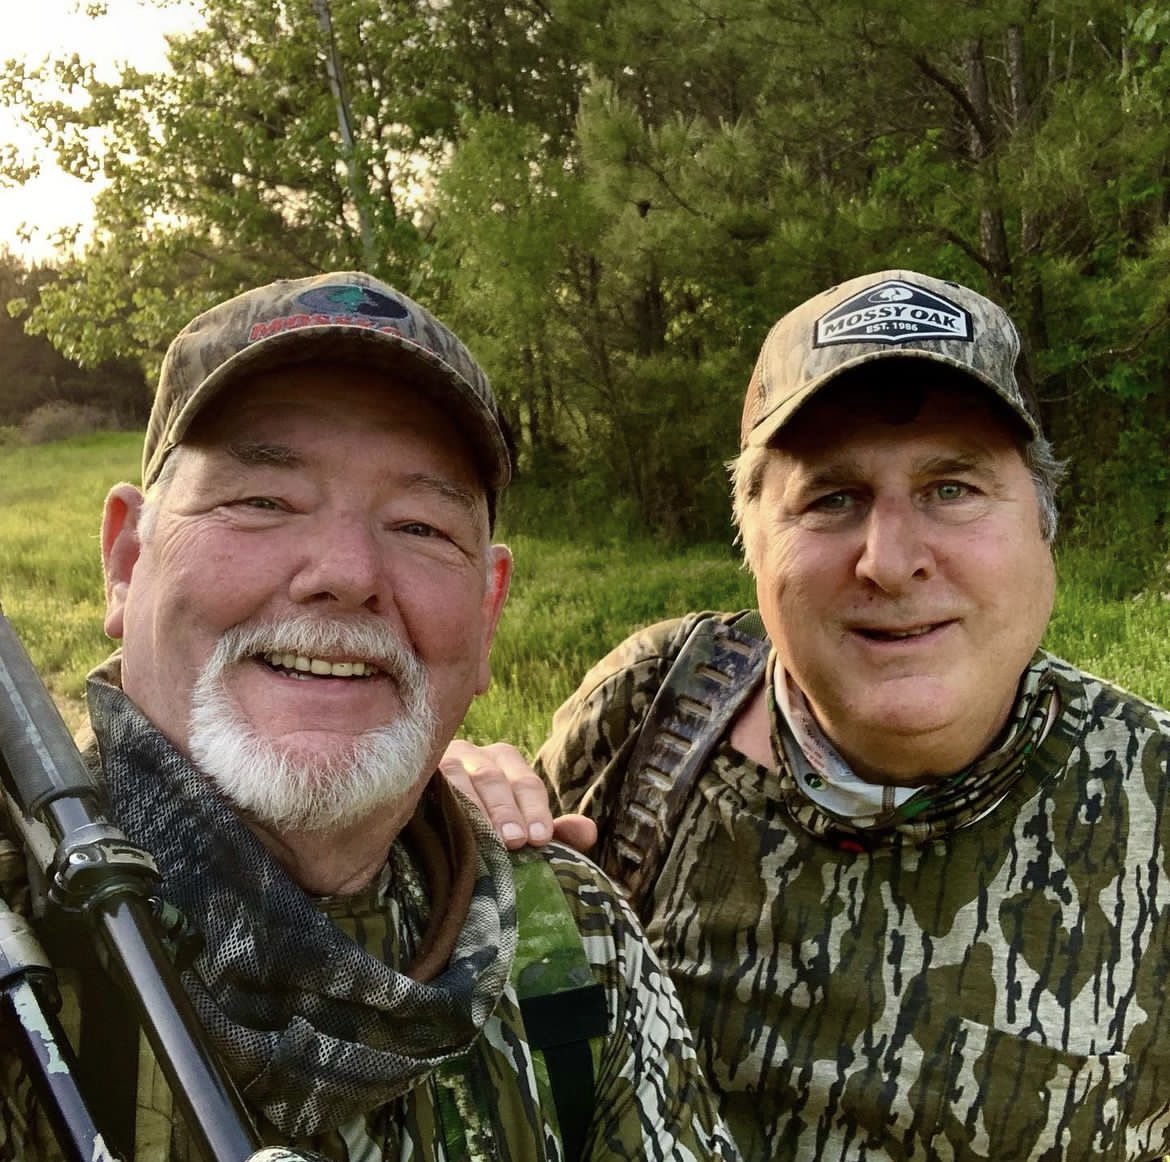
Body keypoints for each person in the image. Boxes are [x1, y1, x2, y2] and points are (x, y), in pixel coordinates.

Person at [0, 272, 739, 1162]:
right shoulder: (18, 955)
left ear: (487, 609)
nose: (346, 571)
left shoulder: (571, 937)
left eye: (421, 526)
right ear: (126, 560)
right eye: (262, 502)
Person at [443, 269, 1170, 1160]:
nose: (891, 560)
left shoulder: (1155, 801)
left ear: (1043, 527)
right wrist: (438, 827)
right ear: (752, 541)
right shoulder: (655, 708)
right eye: (832, 498)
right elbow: (509, 1005)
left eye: (952, 488)